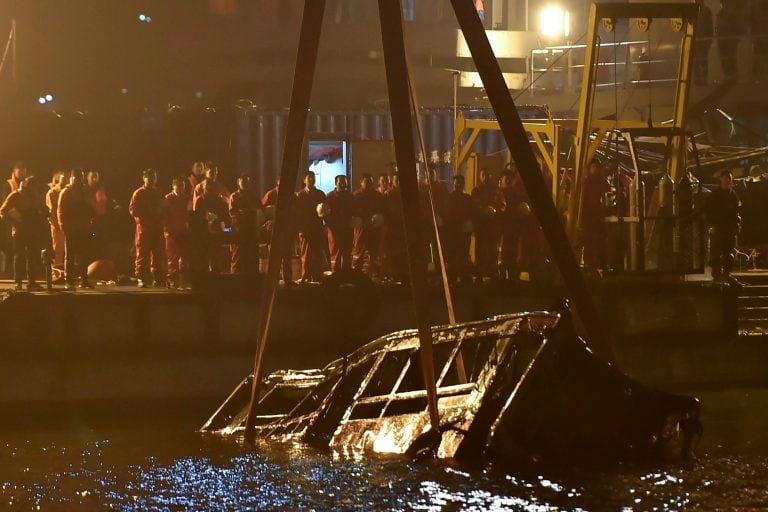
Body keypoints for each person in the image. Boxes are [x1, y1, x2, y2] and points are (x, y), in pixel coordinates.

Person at [0, 176, 48, 290]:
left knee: (32, 256)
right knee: (19, 256)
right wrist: (14, 220)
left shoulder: (35, 195)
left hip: (32, 230)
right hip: (20, 230)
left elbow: (41, 208)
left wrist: (44, 213)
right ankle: (18, 282)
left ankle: (31, 282)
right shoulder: (16, 195)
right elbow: (3, 211)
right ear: (28, 186)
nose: (35, 189)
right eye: (33, 187)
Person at [129, 169, 166, 288]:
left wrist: (160, 214)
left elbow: (164, 208)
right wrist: (146, 216)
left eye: (153, 177)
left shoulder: (158, 192)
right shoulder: (138, 193)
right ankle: (141, 278)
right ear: (144, 178)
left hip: (157, 228)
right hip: (144, 229)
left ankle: (157, 277)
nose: (151, 180)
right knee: (142, 254)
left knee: (158, 254)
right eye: (149, 177)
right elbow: (133, 210)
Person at [58, 169, 94, 290]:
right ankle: (69, 280)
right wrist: (64, 227)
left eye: (80, 178)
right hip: (71, 230)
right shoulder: (66, 192)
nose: (78, 180)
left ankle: (83, 279)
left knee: (84, 255)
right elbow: (61, 212)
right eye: (76, 177)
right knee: (70, 256)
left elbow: (92, 208)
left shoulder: (85, 192)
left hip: (83, 229)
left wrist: (90, 223)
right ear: (71, 178)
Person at [705, 169, 741, 280]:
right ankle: (716, 275)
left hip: (729, 229)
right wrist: (711, 226)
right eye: (725, 178)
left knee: (729, 254)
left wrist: (737, 226)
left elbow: (737, 213)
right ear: (721, 180)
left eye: (729, 178)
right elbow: (708, 212)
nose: (728, 180)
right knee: (715, 254)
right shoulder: (714, 196)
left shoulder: (734, 196)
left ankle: (726, 274)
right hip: (718, 228)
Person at [295, 171, 327, 282]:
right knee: (306, 253)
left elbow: (326, 210)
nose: (312, 179)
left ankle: (317, 275)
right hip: (305, 229)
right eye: (309, 178)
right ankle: (305, 275)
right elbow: (297, 213)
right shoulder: (300, 195)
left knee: (318, 251)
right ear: (304, 180)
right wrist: (299, 228)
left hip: (317, 227)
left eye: (313, 177)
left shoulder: (320, 194)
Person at [193, 177, 230, 274]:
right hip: (203, 231)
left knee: (216, 254)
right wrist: (206, 217)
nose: (209, 188)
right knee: (203, 254)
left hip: (217, 230)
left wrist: (217, 218)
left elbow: (224, 215)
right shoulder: (200, 199)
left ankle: (215, 273)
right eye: (207, 186)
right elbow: (196, 215)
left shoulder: (218, 199)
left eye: (211, 187)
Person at [353, 173, 386, 278]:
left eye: (370, 182)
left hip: (374, 229)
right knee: (359, 252)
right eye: (366, 182)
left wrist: (380, 218)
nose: (369, 184)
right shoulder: (356, 196)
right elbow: (351, 211)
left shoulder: (378, 196)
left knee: (375, 253)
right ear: (361, 182)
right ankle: (356, 276)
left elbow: (384, 210)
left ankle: (377, 275)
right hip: (361, 229)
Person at [261, 180, 294, 285]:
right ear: (278, 182)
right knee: (274, 257)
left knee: (287, 256)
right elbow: (262, 209)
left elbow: (296, 210)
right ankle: (272, 281)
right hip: (274, 231)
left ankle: (288, 280)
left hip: (287, 229)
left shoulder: (290, 195)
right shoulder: (271, 194)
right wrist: (268, 221)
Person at [229, 173, 262, 274]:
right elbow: (232, 212)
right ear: (238, 183)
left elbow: (260, 209)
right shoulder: (234, 196)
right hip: (239, 232)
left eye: (247, 182)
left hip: (252, 231)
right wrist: (242, 214)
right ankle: (235, 281)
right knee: (238, 258)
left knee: (252, 257)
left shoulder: (254, 196)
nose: (245, 184)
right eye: (243, 182)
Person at [471, 168, 501, 280]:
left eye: (487, 175)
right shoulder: (476, 191)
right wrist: (483, 211)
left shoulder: (496, 191)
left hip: (493, 227)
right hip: (481, 227)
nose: (485, 177)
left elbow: (502, 205)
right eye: (483, 175)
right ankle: (479, 273)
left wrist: (495, 210)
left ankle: (493, 273)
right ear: (480, 176)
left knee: (493, 250)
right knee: (480, 250)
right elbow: (473, 207)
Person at [445, 174, 475, 282]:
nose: (458, 185)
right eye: (456, 183)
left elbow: (472, 213)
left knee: (463, 253)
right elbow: (446, 213)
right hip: (452, 231)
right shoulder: (449, 197)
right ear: (453, 184)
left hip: (463, 231)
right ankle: (452, 276)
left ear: (463, 184)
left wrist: (470, 224)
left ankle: (464, 275)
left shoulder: (467, 198)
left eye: (460, 183)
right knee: (452, 254)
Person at [164, 176, 192, 288]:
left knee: (185, 256)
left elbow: (190, 214)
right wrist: (167, 230)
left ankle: (183, 278)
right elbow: (163, 216)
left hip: (184, 231)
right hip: (171, 232)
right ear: (173, 186)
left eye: (183, 186)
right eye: (179, 185)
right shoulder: (167, 198)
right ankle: (172, 279)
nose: (181, 188)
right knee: (172, 257)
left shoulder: (186, 198)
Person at [580, 159, 608, 269]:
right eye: (593, 167)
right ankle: (588, 262)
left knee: (598, 239)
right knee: (588, 239)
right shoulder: (585, 182)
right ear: (589, 168)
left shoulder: (601, 182)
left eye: (597, 167)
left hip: (598, 215)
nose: (595, 169)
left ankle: (598, 261)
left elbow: (607, 193)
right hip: (588, 215)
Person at [1, 161, 27, 277]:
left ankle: (20, 272)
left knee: (21, 249)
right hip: (10, 221)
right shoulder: (8, 185)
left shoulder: (27, 183)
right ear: (14, 171)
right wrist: (17, 218)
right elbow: (4, 204)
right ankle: (10, 271)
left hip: (23, 222)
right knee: (11, 247)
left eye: (24, 170)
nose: (22, 173)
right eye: (19, 170)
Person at [325, 175, 355, 272]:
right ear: (335, 183)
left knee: (347, 253)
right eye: (340, 182)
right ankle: (335, 276)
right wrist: (332, 226)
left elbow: (354, 212)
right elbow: (325, 215)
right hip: (335, 231)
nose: (342, 184)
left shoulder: (350, 197)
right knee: (335, 254)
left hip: (347, 230)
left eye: (344, 182)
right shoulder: (329, 197)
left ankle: (346, 276)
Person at [46, 169, 69, 278]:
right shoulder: (53, 192)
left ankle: (66, 272)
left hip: (68, 226)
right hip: (57, 226)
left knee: (68, 252)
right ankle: (56, 274)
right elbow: (51, 212)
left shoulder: (69, 191)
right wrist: (58, 225)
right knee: (58, 251)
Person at [694, 0, 714, 85]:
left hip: (703, 40)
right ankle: (698, 80)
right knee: (696, 61)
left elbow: (710, 26)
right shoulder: (693, 10)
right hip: (695, 40)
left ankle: (703, 79)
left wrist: (709, 39)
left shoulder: (706, 11)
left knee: (703, 61)